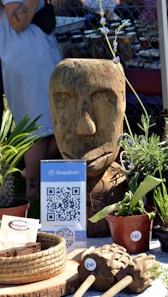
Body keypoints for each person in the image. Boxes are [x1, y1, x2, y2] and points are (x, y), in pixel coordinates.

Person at [49, 58, 128, 237]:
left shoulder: (126, 186)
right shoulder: (59, 182)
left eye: (103, 102)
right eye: (65, 103)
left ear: (123, 105)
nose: (85, 128)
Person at [0, 0, 63, 199]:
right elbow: (18, 20)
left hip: (34, 53)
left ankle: (32, 175)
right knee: (38, 128)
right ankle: (33, 190)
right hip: (29, 58)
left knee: (51, 125)